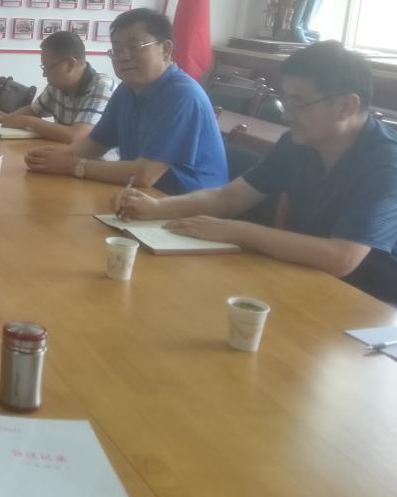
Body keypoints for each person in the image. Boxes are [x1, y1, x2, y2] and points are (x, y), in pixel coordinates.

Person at [116, 42, 397, 303]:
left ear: (346, 106)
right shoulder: (298, 143)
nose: (287, 115)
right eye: (286, 102)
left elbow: (342, 258)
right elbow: (228, 198)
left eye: (298, 104)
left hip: (371, 303)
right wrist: (157, 208)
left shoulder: (386, 163)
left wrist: (237, 231)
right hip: (302, 276)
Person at [25, 8, 227, 194]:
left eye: (134, 47)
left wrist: (73, 166)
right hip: (141, 196)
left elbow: (144, 175)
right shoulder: (127, 90)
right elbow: (94, 144)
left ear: (165, 49)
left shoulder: (182, 96)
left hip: (187, 205)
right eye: (117, 49)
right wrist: (52, 157)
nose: (123, 57)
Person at [0, 32, 115, 144]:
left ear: (70, 64)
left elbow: (76, 136)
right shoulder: (57, 85)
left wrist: (27, 121)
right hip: (65, 152)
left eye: (47, 67)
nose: (44, 74)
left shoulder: (101, 87)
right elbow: (33, 111)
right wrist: (4, 119)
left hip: (97, 160)